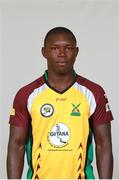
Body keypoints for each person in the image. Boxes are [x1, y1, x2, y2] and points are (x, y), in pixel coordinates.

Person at [7, 27, 113, 179]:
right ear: (44, 52)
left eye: (68, 48)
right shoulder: (27, 94)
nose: (62, 54)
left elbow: (104, 145)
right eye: (55, 48)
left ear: (76, 52)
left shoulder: (94, 92)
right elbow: (16, 145)